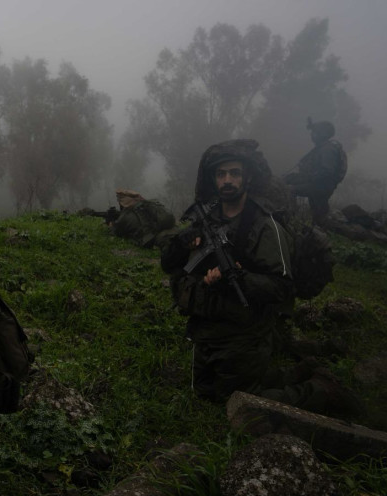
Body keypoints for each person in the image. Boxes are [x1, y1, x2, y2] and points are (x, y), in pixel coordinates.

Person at [161, 139, 359, 416]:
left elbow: (282, 287)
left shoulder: (265, 227)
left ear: (248, 178)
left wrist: (238, 280)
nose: (227, 180)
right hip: (207, 328)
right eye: (221, 174)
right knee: (204, 392)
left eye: (235, 173)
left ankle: (321, 391)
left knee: (235, 401)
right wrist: (181, 244)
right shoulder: (207, 219)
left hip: (246, 330)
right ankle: (299, 370)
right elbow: (169, 265)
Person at [284, 119, 348, 226]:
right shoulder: (324, 147)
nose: (312, 135)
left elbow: (326, 172)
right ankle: (319, 227)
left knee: (290, 191)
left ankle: (290, 221)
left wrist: (307, 178)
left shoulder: (327, 149)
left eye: (315, 132)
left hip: (321, 186)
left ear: (322, 134)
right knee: (318, 213)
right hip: (320, 185)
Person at [109, 189, 175, 249]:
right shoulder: (146, 205)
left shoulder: (126, 216)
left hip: (150, 240)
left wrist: (111, 224)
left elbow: (117, 231)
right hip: (166, 231)